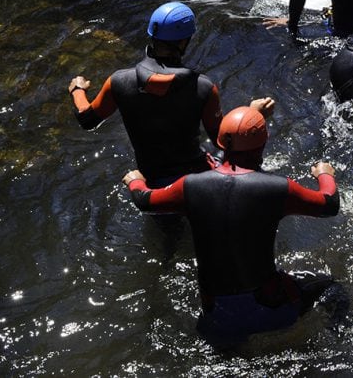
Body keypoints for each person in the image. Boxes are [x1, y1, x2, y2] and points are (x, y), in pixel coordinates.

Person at [121, 106, 340, 346]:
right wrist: (324, 174)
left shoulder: (189, 186)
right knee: (331, 288)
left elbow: (145, 201)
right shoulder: (278, 188)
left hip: (217, 317)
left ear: (221, 144)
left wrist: (136, 182)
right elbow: (329, 204)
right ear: (263, 143)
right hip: (273, 308)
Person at [68, 1, 274, 188]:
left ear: (152, 35)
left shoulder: (118, 82)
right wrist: (253, 114)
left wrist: (78, 91)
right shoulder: (202, 87)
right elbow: (225, 142)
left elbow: (87, 119)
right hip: (197, 180)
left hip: (154, 183)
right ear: (184, 41)